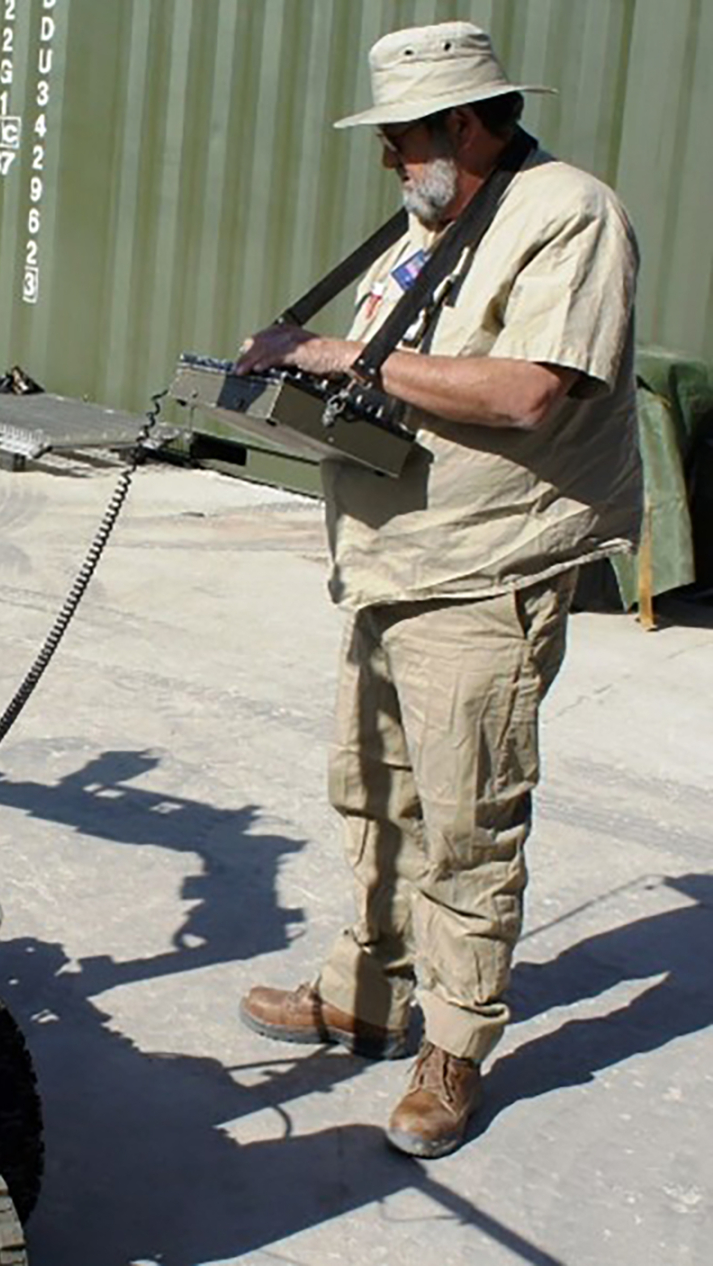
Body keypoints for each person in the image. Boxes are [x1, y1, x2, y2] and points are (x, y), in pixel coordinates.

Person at [233, 20, 642, 1159]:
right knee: (373, 794)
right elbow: (391, 371)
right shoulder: (429, 223)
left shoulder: (569, 213)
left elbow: (525, 395)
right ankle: (365, 994)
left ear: (469, 123)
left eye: (404, 136)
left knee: (469, 822)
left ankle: (454, 1049)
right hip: (393, 560)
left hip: (487, 569)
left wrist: (334, 361)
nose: (387, 160)